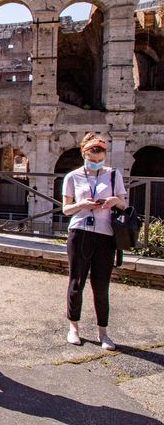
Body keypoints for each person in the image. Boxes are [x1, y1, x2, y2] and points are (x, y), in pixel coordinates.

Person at [61, 133, 126, 351]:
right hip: (79, 232)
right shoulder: (72, 177)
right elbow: (66, 209)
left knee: (101, 285)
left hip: (105, 234)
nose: (97, 163)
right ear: (84, 155)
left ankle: (103, 332)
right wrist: (82, 205)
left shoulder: (114, 175)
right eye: (93, 159)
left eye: (100, 159)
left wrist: (114, 201)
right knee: (76, 282)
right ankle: (74, 328)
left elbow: (124, 205)